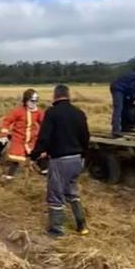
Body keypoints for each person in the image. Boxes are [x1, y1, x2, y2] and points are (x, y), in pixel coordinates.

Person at [30, 85, 90, 237]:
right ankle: (81, 225)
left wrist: (35, 154)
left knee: (56, 194)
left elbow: (44, 137)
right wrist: (83, 156)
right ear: (68, 95)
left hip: (60, 160)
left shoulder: (52, 113)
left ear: (55, 96)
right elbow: (86, 137)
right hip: (77, 159)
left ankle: (57, 230)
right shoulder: (79, 113)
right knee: (72, 192)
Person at [0, 89, 44, 180]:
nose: (34, 103)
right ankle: (9, 177)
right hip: (18, 139)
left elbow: (45, 123)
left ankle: (43, 172)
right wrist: (4, 134)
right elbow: (7, 121)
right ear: (26, 100)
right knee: (16, 159)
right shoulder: (18, 111)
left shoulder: (39, 112)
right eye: (32, 101)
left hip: (32, 140)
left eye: (36, 101)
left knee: (38, 155)